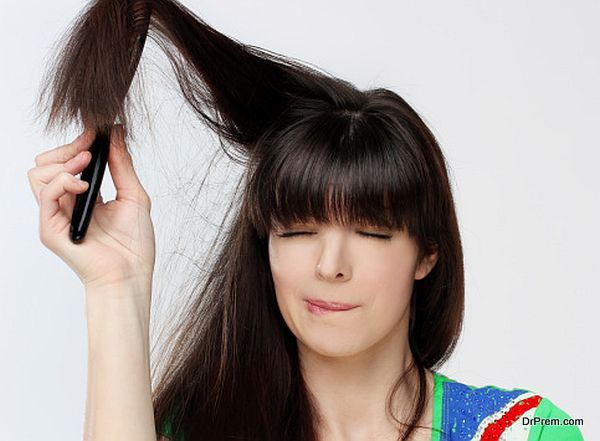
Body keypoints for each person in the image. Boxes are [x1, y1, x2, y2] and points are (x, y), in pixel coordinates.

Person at [28, 0, 584, 440]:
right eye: (297, 231)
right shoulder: (191, 431)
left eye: (370, 232)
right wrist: (114, 284)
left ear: (428, 252)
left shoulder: (530, 430)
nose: (329, 266)